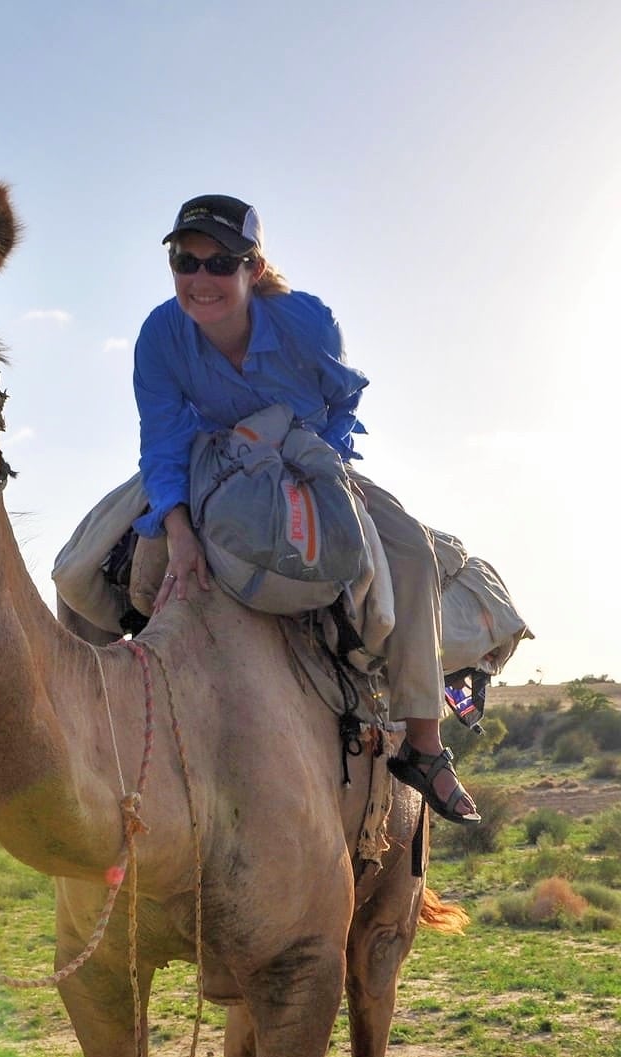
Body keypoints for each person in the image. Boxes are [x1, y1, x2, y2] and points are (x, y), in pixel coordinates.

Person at [133, 194, 479, 824]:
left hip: (309, 458)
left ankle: (424, 744)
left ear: (253, 270)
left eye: (220, 263)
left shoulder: (308, 323)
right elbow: (161, 436)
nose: (200, 279)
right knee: (85, 569)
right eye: (186, 261)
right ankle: (108, 747)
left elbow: (345, 404)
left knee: (410, 552)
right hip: (210, 462)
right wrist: (179, 529)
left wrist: (315, 464)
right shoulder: (160, 335)